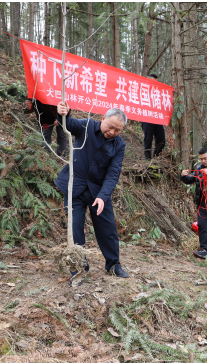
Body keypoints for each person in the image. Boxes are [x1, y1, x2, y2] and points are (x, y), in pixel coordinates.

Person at [55, 101, 129, 280]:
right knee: (76, 226)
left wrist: (103, 197)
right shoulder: (86, 126)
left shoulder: (119, 145)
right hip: (75, 186)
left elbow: (113, 173)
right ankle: (79, 266)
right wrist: (63, 113)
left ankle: (113, 264)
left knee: (107, 228)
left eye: (117, 130)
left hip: (98, 191)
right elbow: (68, 124)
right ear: (103, 118)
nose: (112, 132)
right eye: (110, 126)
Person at [141, 74, 166, 159]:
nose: (155, 84)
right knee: (148, 139)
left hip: (156, 117)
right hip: (146, 117)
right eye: (153, 81)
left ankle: (156, 157)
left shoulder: (158, 92)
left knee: (161, 138)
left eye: (156, 82)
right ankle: (147, 160)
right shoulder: (143, 90)